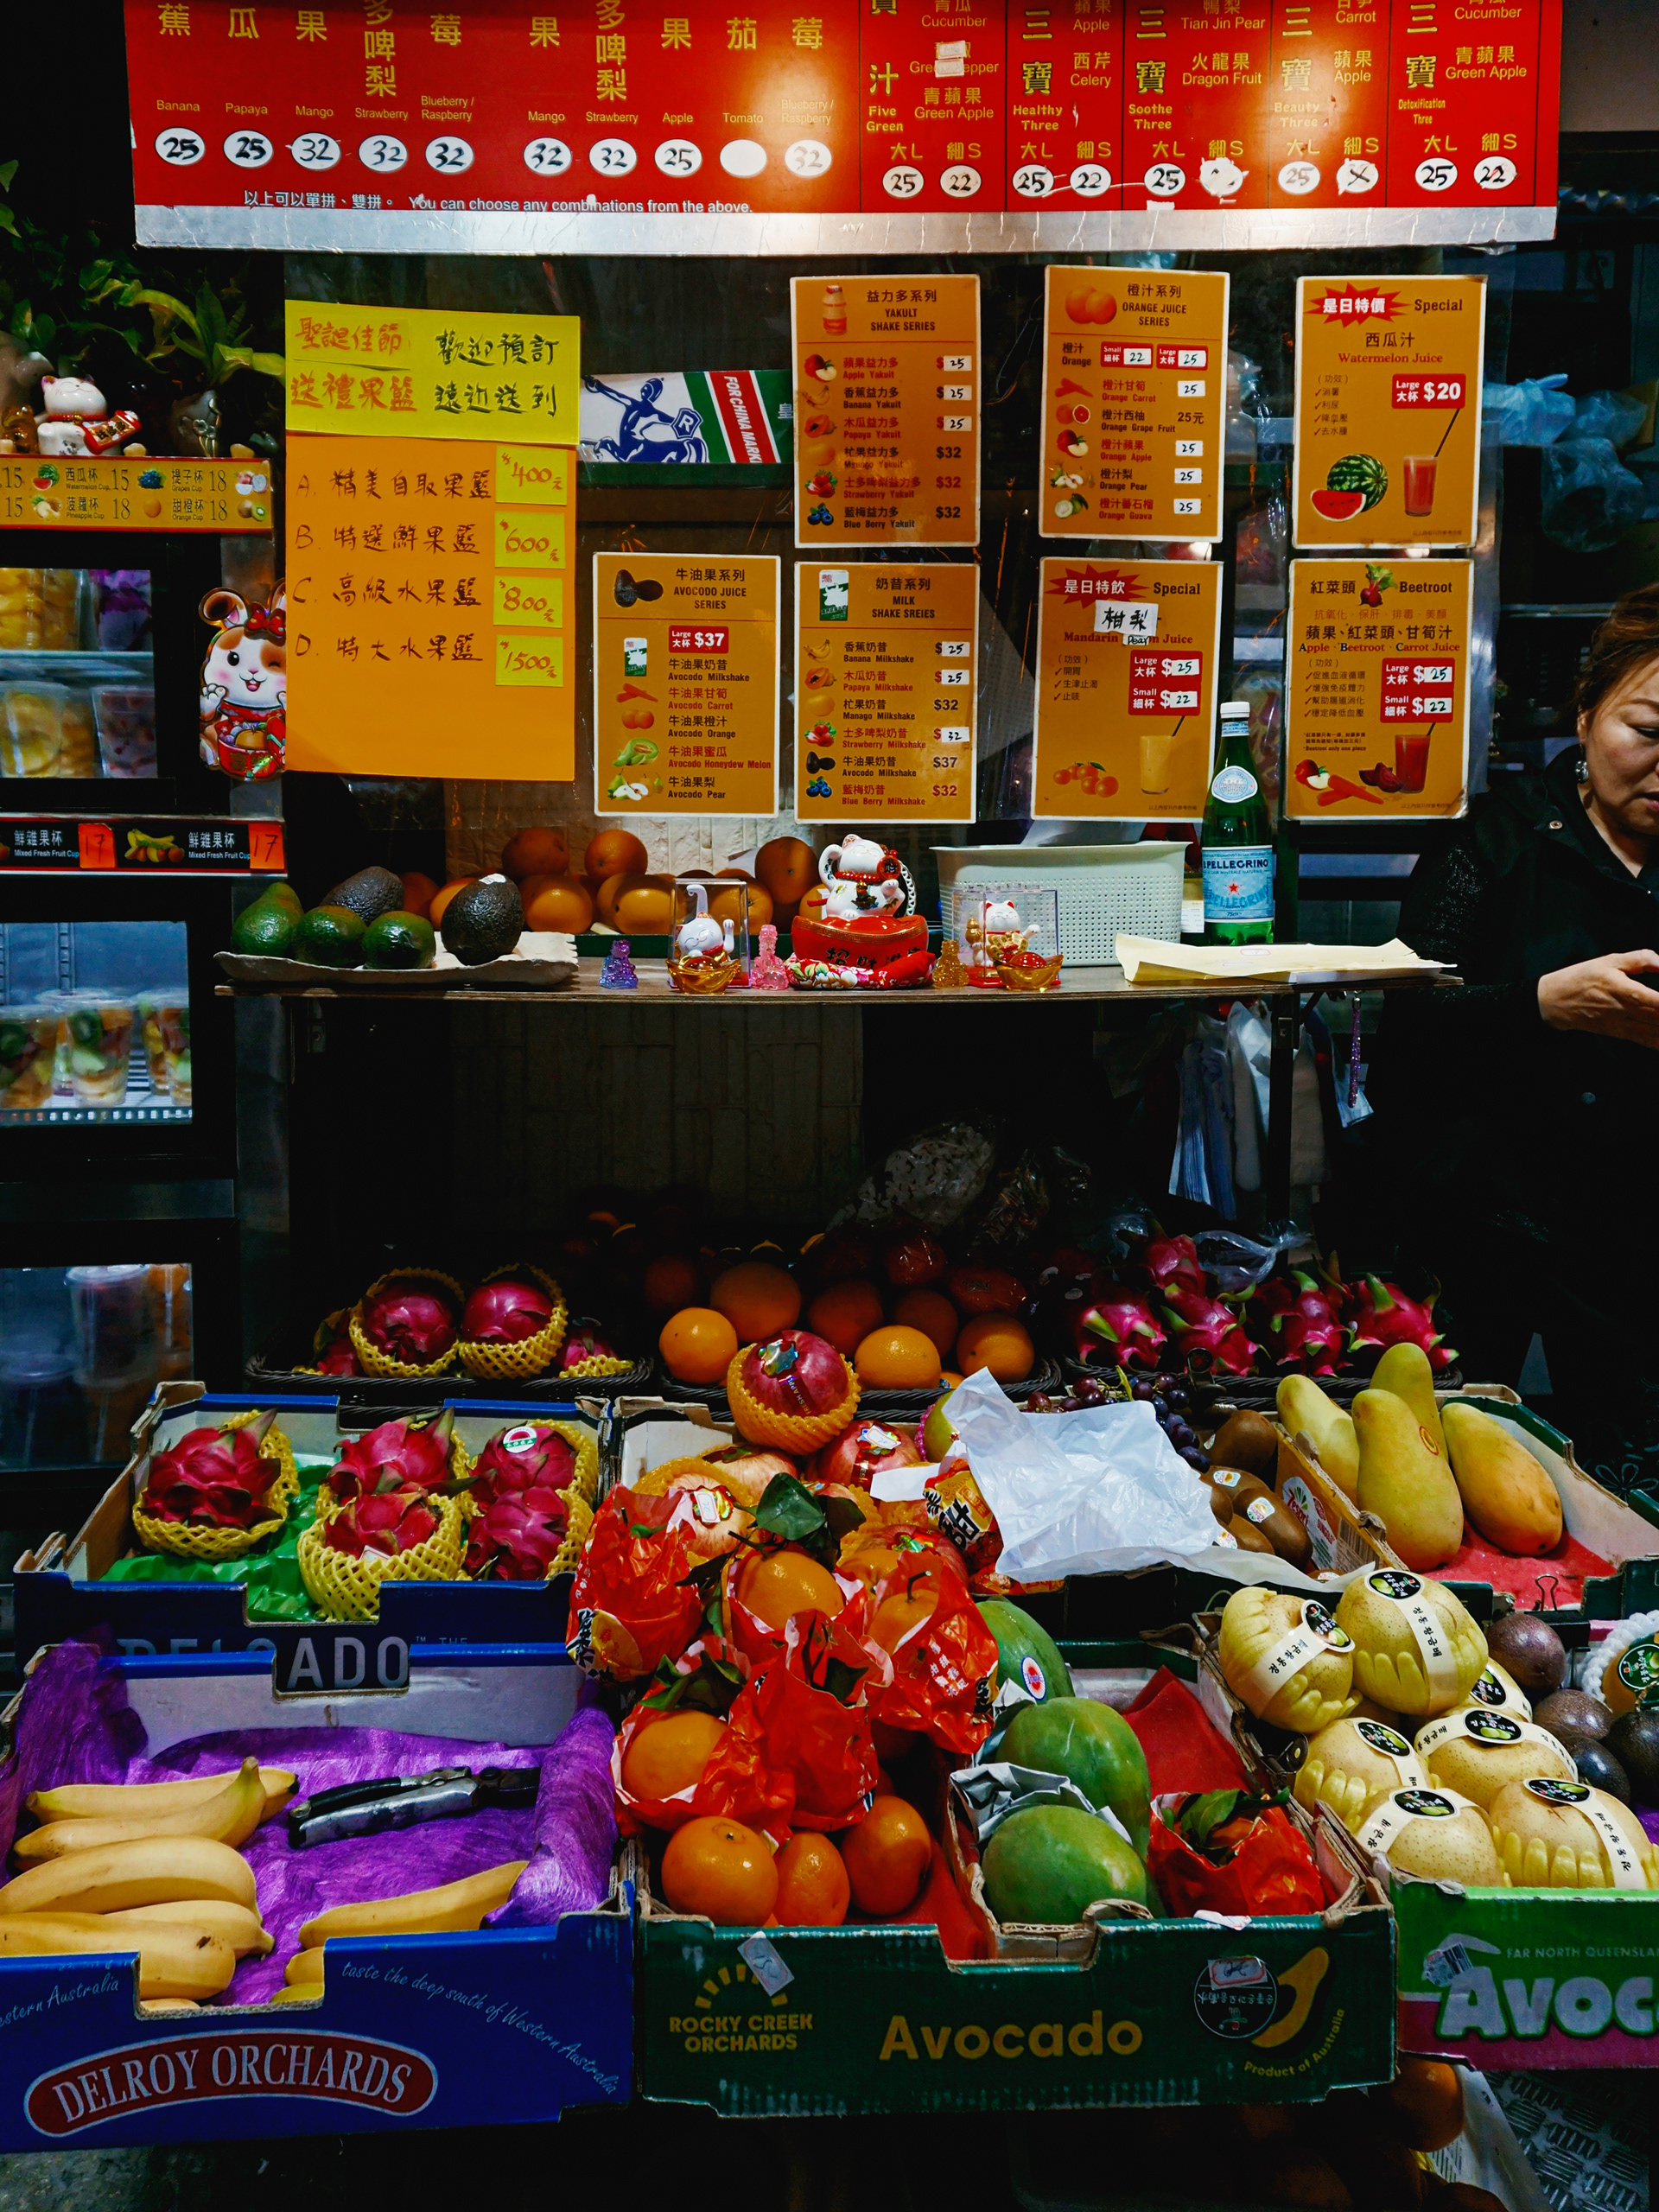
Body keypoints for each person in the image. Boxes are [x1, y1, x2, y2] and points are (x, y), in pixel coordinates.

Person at [1385, 582, 1659, 1494]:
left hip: (1635, 1241)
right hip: (1480, 1219)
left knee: (1628, 1495)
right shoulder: (1493, 846)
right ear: (1585, 717)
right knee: (1447, 1476)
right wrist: (1540, 1004)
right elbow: (1408, 1023)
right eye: (1647, 731)